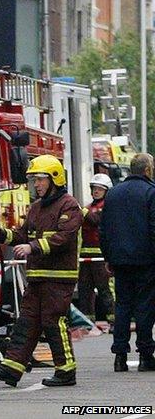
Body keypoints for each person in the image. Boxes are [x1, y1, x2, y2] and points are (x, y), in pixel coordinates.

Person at [0, 154, 84, 387]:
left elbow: (63, 238)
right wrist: (0, 234)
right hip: (37, 276)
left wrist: (32, 247)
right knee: (27, 321)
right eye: (34, 180)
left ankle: (66, 370)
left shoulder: (69, 205)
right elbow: (21, 234)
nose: (36, 185)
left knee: (53, 321)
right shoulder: (36, 208)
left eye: (40, 179)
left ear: (54, 179)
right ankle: (12, 368)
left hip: (59, 277)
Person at [100, 153, 155, 373]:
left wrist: (108, 258)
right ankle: (145, 355)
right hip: (146, 261)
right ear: (147, 170)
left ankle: (120, 356)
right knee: (144, 307)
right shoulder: (151, 192)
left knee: (122, 306)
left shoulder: (113, 194)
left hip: (120, 261)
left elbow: (104, 230)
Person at [76, 173, 114, 326]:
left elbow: (96, 221)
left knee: (104, 289)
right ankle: (87, 321)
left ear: (106, 191)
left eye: (100, 189)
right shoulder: (88, 207)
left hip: (100, 256)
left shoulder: (107, 207)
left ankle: (114, 320)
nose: (96, 191)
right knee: (85, 290)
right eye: (94, 188)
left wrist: (82, 211)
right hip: (85, 255)